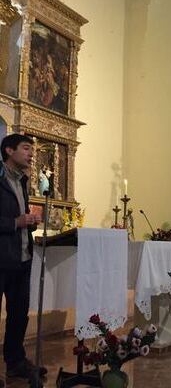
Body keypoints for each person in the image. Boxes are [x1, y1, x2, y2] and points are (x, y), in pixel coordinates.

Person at [0, 134, 48, 384]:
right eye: (26, 148)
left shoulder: (23, 181)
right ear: (9, 150)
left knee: (19, 315)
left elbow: (19, 218)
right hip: (1, 259)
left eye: (32, 149)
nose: (31, 153)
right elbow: (11, 220)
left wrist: (28, 222)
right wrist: (16, 222)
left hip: (22, 258)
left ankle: (15, 362)